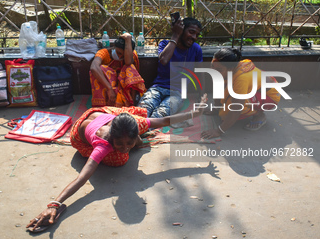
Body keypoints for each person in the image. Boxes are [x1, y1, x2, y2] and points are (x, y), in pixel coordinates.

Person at [26, 94, 207, 232]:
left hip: (103, 115)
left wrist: (196, 113)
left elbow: (165, 121)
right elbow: (82, 178)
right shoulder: (102, 146)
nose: (125, 147)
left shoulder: (136, 124)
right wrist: (54, 205)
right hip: (81, 131)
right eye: (119, 143)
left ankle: (137, 136)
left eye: (129, 143)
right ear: (112, 137)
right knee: (120, 160)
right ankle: (137, 138)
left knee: (133, 120)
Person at [201, 48, 281, 139]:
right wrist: (216, 108)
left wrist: (218, 131)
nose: (213, 70)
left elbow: (237, 108)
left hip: (271, 97)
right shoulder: (231, 67)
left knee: (229, 111)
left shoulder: (241, 78)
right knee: (225, 110)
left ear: (230, 69)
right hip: (256, 89)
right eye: (212, 66)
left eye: (218, 69)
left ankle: (259, 115)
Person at [138, 17, 203, 118]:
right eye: (191, 32)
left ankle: (143, 131)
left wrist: (201, 94)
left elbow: (200, 72)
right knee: (143, 109)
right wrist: (176, 35)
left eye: (197, 35)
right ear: (181, 30)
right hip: (158, 88)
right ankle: (138, 130)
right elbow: (164, 60)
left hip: (177, 92)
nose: (194, 37)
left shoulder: (196, 49)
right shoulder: (165, 44)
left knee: (161, 113)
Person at [90, 33, 146, 107]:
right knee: (99, 69)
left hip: (122, 86)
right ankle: (102, 104)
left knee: (130, 67)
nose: (119, 57)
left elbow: (128, 62)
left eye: (123, 56)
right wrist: (109, 88)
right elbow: (93, 67)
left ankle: (132, 103)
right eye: (118, 53)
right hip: (108, 87)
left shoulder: (131, 55)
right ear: (114, 47)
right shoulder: (103, 53)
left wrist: (128, 39)